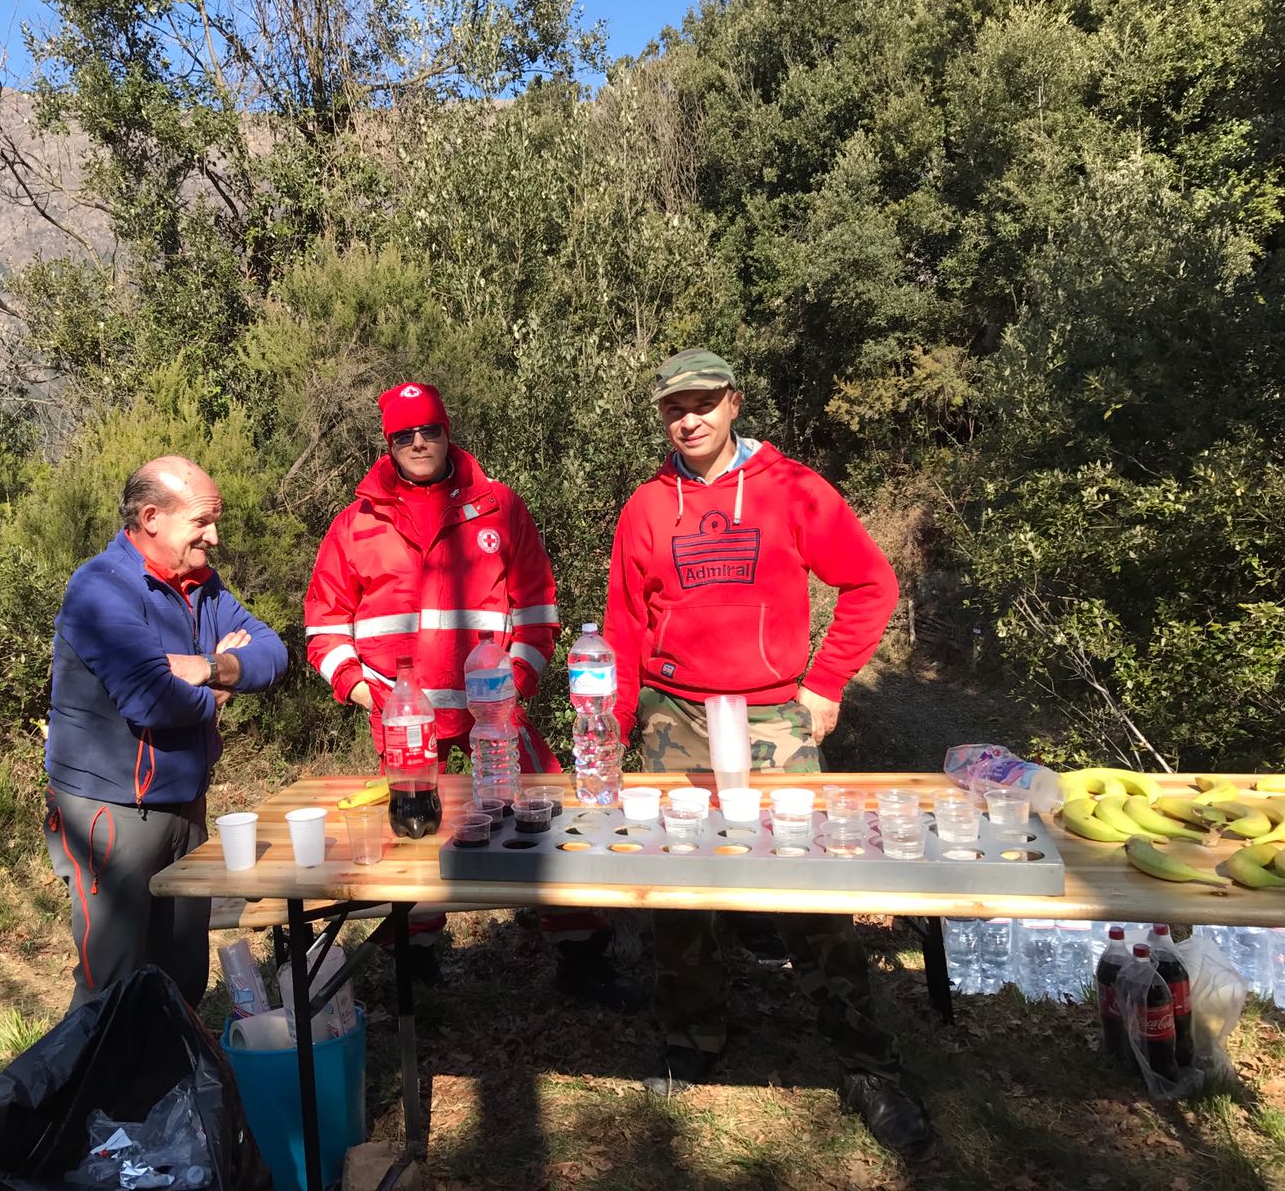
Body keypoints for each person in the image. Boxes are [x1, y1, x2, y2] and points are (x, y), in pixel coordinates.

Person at [603, 349, 931, 1154]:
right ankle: (693, 1038)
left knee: (805, 886)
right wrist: (613, 729)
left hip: (773, 717)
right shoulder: (647, 506)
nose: (691, 418)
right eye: (675, 406)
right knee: (678, 890)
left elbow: (871, 584)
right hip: (672, 717)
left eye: (705, 402)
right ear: (662, 417)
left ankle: (865, 1064)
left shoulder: (793, 489)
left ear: (735, 403)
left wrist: (825, 684)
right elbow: (622, 625)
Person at [305, 381, 639, 1007]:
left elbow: (537, 604)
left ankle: (580, 952)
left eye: (429, 429)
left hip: (494, 712)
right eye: (405, 434)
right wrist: (361, 689)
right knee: (412, 836)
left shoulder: (498, 506)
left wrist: (517, 681)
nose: (419, 443)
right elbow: (325, 624)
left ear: (447, 429)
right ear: (389, 441)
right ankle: (416, 960)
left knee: (541, 816)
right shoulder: (356, 523)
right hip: (404, 719)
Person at [45, 455, 288, 1011]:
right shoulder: (101, 589)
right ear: (152, 517)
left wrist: (207, 668)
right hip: (110, 815)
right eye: (202, 521)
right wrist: (222, 687)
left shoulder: (200, 584)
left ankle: (177, 1092)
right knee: (113, 986)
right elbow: (151, 698)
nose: (215, 536)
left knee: (182, 977)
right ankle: (99, 1096)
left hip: (185, 808)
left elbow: (274, 654)